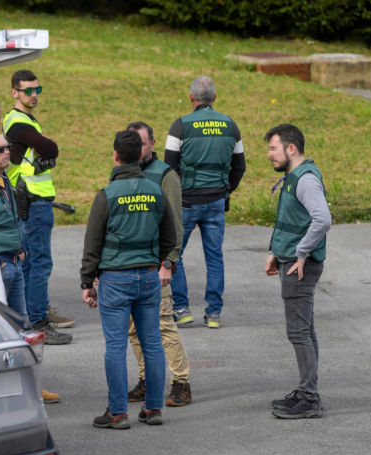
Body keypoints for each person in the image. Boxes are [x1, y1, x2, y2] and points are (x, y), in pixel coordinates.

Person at [80, 130, 177, 429]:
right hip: (148, 277)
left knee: (115, 347)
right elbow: (170, 237)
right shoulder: (156, 190)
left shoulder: (106, 195)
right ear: (141, 155)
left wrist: (87, 282)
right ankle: (153, 409)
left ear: (116, 155)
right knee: (153, 344)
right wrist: (158, 262)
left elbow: (92, 243)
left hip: (115, 279)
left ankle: (119, 412)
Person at [0, 132, 68, 404]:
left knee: (22, 332)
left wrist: (21, 248)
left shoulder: (4, 178)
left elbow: (11, 219)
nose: (6, 152)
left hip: (13, 262)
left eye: (7, 148)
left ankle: (32, 387)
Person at [165, 76, 247, 328]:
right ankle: (213, 314)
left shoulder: (179, 126)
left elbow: (169, 168)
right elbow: (239, 167)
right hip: (216, 202)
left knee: (174, 255)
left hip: (186, 202)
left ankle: (182, 308)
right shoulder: (230, 125)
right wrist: (225, 190)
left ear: (191, 97)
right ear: (215, 97)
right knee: (214, 257)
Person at [263, 124, 331, 419]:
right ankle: (307, 390)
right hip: (288, 260)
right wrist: (274, 253)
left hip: (299, 266)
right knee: (305, 330)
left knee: (299, 332)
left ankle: (309, 398)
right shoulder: (294, 177)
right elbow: (291, 220)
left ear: (291, 149)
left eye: (273, 148)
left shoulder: (305, 180)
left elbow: (322, 219)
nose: (269, 155)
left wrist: (301, 253)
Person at [3, 69, 76, 337]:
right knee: (38, 263)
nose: (34, 95)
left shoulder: (25, 120)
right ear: (15, 93)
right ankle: (38, 321)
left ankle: (39, 310)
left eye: (37, 90)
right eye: (28, 91)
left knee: (32, 263)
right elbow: (51, 148)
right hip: (32, 202)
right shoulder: (17, 121)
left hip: (35, 201)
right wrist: (43, 146)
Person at [125, 121, 192, 407]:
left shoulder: (166, 175)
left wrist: (169, 263)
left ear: (152, 143)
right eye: (132, 143)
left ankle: (181, 383)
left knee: (163, 324)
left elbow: (176, 226)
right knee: (132, 329)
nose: (137, 148)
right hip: (127, 265)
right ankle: (146, 380)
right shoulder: (123, 174)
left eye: (141, 142)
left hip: (155, 265)